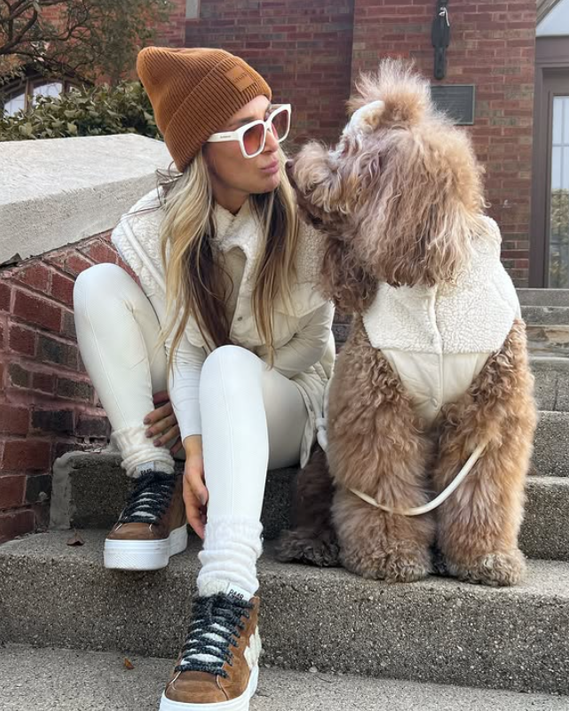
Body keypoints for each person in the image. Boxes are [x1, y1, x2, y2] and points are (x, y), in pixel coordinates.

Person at [73, 46, 335, 711]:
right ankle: (153, 476)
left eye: (272, 118)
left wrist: (219, 407)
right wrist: (191, 443)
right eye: (249, 131)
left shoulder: (305, 220)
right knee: (98, 285)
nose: (272, 142)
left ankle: (228, 596)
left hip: (289, 396)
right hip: (215, 386)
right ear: (201, 154)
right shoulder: (174, 225)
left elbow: (307, 356)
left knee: (227, 364)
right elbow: (187, 352)